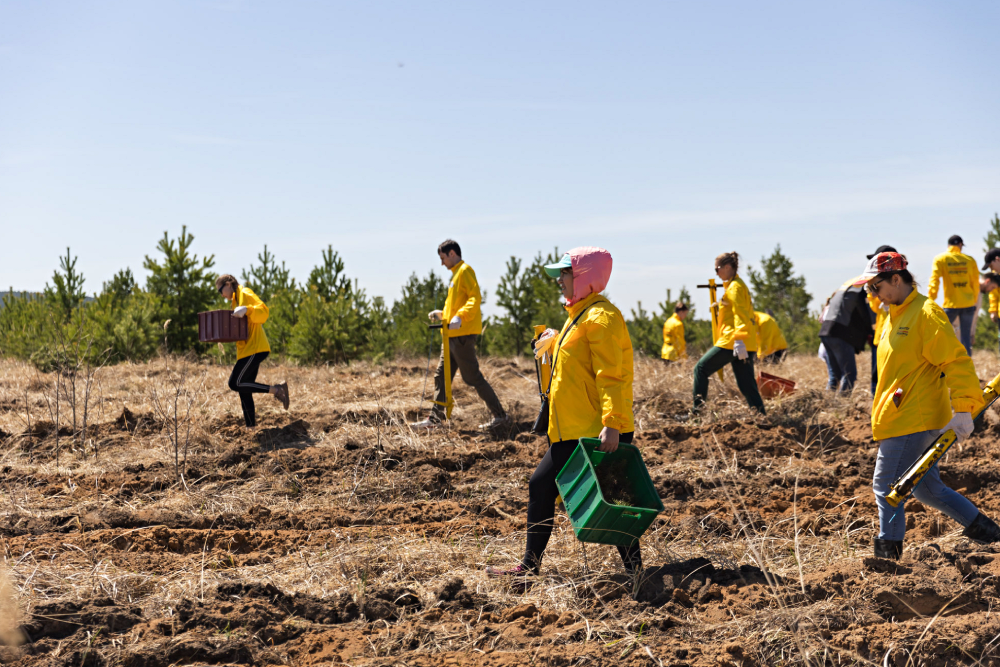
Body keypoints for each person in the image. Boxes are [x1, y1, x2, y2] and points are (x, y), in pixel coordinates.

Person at [486, 247, 640, 585]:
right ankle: (531, 567)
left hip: (594, 430)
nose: (559, 280)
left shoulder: (602, 317)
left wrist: (612, 424)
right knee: (549, 488)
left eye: (565, 274)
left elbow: (612, 374)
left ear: (584, 277)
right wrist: (555, 340)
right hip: (572, 429)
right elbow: (578, 361)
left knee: (609, 496)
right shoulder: (580, 316)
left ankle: (635, 574)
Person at [855, 252, 1000, 560]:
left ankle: (887, 557)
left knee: (887, 486)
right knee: (927, 489)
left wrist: (963, 407)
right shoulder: (893, 316)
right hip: (901, 415)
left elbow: (956, 360)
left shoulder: (925, 313)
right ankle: (989, 533)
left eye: (875, 286)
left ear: (897, 279)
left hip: (913, 418)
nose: (872, 293)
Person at [410, 240, 508, 431]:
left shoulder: (465, 271)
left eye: (443, 258)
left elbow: (474, 298)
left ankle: (500, 415)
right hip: (449, 335)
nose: (442, 263)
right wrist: (444, 315)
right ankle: (436, 420)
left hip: (462, 336)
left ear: (452, 253)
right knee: (441, 376)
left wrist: (460, 317)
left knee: (472, 378)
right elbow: (458, 303)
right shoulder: (456, 275)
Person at [692, 252, 765, 414]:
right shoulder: (736, 285)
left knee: (701, 369)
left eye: (717, 269)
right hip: (743, 342)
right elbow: (735, 311)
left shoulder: (735, 287)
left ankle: (697, 414)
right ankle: (761, 417)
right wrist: (719, 306)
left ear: (727, 267)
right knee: (746, 385)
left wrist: (738, 340)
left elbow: (741, 315)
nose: (716, 273)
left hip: (733, 341)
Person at [216, 274, 289, 428]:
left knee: (235, 383)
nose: (221, 294)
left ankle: (277, 390)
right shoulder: (235, 300)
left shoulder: (245, 294)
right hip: (246, 350)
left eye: (220, 290)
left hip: (255, 348)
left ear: (228, 284)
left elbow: (264, 311)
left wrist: (247, 309)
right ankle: (251, 428)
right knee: (244, 388)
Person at [819, 276, 875, 393]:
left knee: (835, 375)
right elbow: (865, 314)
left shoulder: (848, 286)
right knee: (849, 374)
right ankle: (842, 406)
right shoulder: (860, 290)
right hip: (840, 333)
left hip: (826, 331)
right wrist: (871, 331)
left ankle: (826, 404)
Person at [928, 235, 979, 355]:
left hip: (950, 305)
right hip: (968, 304)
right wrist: (974, 301)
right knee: (966, 337)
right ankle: (967, 369)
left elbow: (934, 280)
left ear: (948, 246)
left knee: (940, 333)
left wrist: (930, 299)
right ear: (960, 245)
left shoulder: (941, 259)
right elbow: (975, 284)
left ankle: (941, 360)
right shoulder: (970, 260)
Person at [866, 245, 897, 394]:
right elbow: (875, 307)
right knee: (877, 375)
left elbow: (875, 306)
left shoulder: (895, 287)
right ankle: (876, 402)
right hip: (880, 337)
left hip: (892, 336)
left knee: (885, 376)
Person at [983, 248, 1000, 353]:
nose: (991, 269)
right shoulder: (996, 276)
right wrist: (993, 310)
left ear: (997, 259)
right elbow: (993, 294)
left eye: (991, 266)